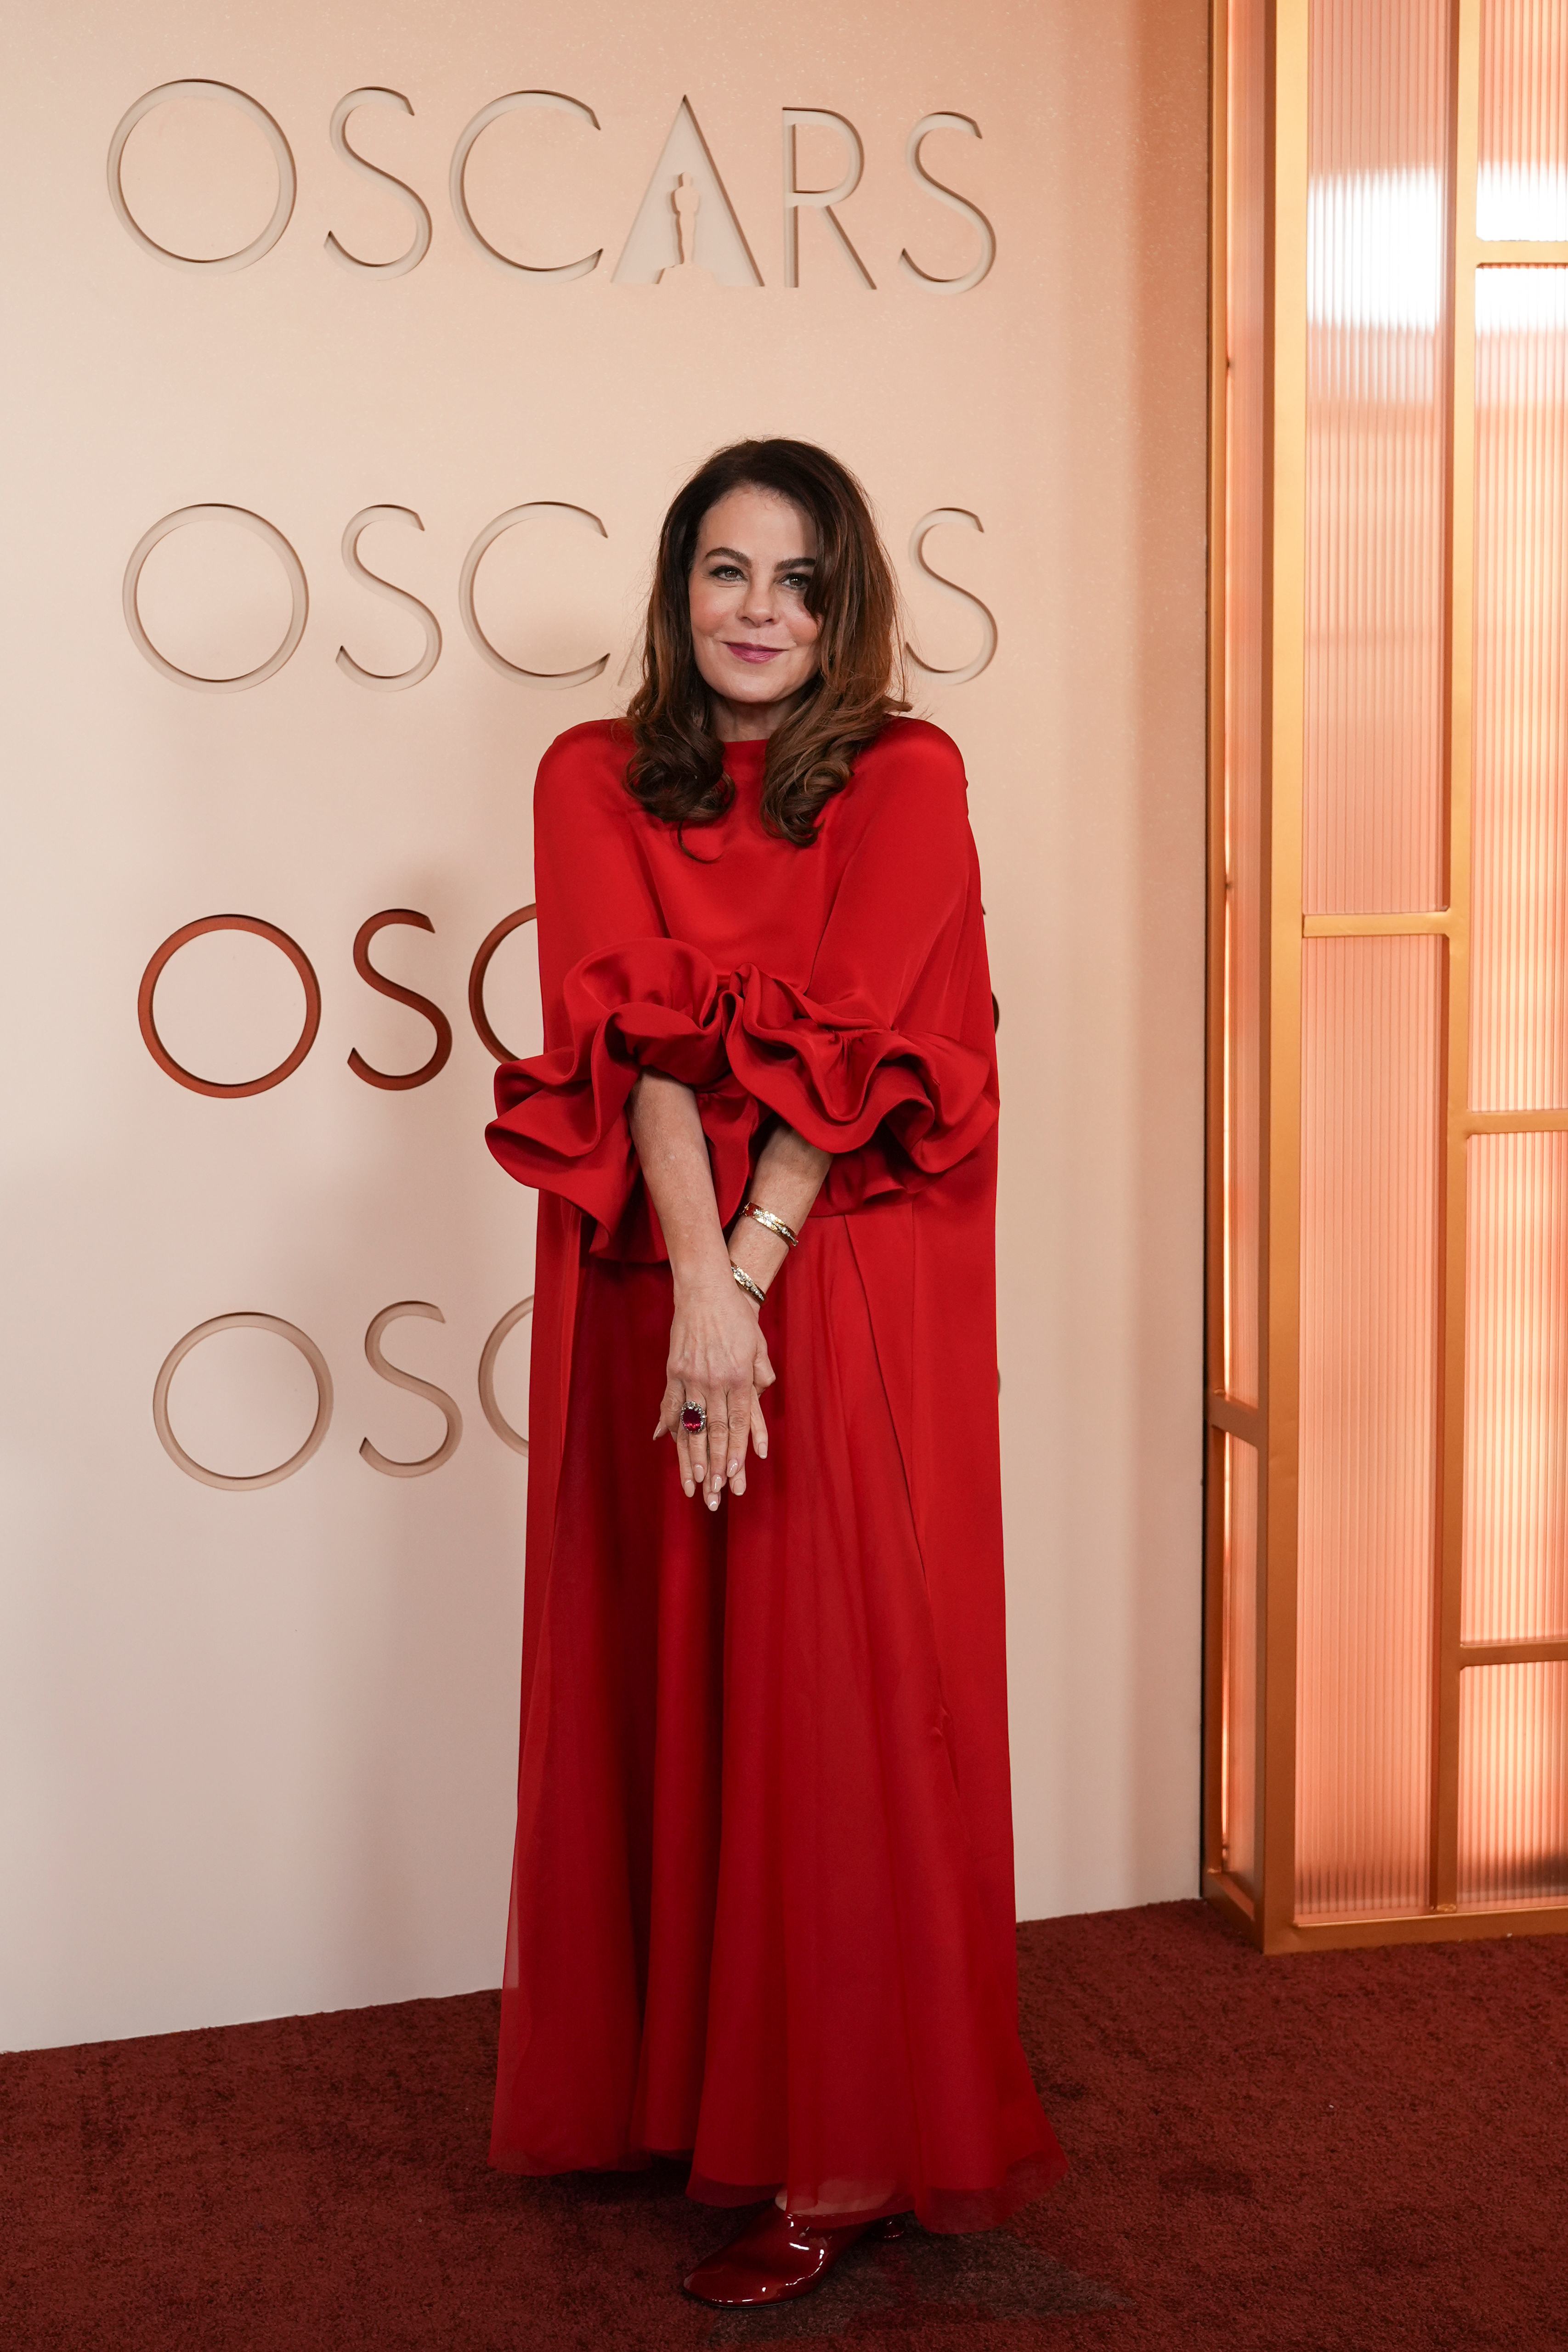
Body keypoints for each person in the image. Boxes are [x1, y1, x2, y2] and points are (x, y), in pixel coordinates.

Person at [485, 439, 1064, 2309]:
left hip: (849, 1250)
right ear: (674, 593)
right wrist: (698, 1292)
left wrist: (751, 1272)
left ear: (844, 604)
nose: (754, 613)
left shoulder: (904, 774)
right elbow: (636, 1036)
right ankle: (691, 2083)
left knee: (832, 1680)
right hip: (668, 1262)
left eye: (796, 581)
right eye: (722, 573)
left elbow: (861, 1048)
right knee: (670, 1646)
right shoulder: (591, 774)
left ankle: (845, 2149)